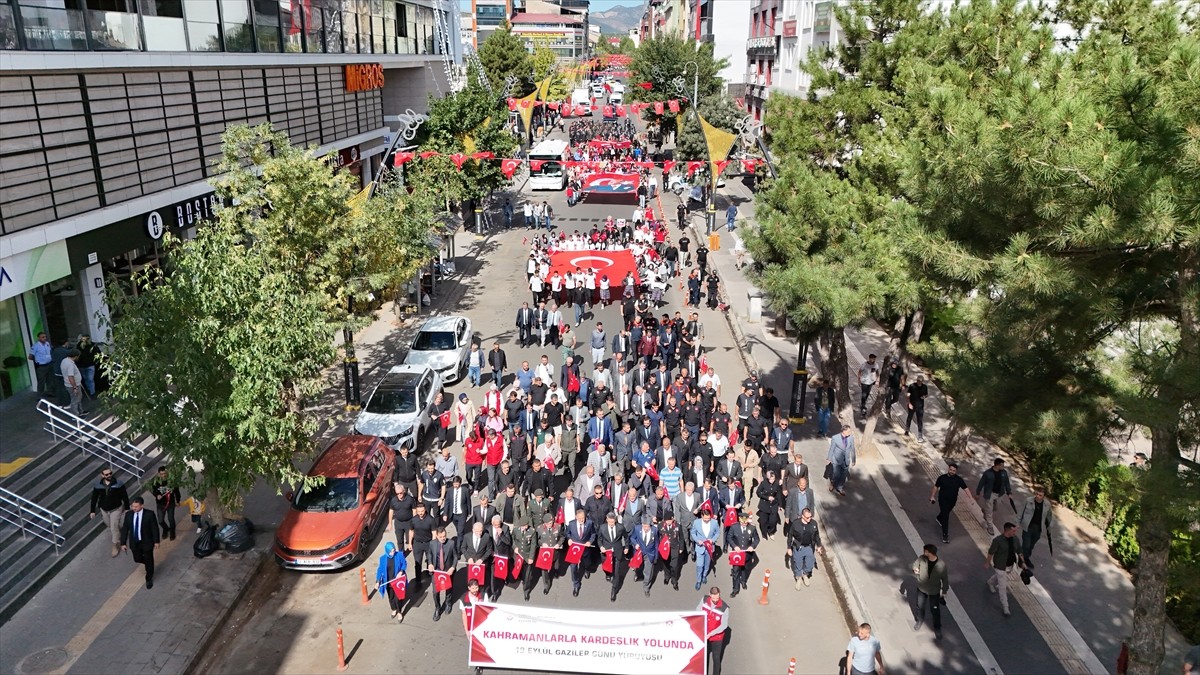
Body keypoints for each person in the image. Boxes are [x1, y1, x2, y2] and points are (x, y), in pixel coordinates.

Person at [119, 496, 160, 589]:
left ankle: (149, 578)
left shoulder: (149, 514)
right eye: (133, 506)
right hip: (135, 542)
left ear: (142, 505)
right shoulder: (129, 514)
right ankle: (149, 564)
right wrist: (123, 542)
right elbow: (125, 528)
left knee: (148, 559)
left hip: (146, 541)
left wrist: (156, 541)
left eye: (136, 506)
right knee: (137, 558)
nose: (134, 508)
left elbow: (154, 528)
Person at [984, 522, 1025, 617]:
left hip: (1010, 565)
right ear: (1008, 530)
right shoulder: (997, 540)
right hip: (1000, 566)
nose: (1015, 532)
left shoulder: (1015, 539)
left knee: (999, 578)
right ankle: (1005, 606)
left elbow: (1019, 551)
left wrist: (1023, 562)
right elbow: (991, 552)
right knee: (1002, 586)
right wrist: (987, 562)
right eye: (1013, 530)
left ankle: (990, 582)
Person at [89, 467, 130, 557]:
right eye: (107, 474)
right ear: (102, 475)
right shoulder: (98, 485)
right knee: (110, 525)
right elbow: (94, 498)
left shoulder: (118, 484)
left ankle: (116, 544)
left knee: (113, 527)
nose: (109, 475)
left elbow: (125, 496)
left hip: (116, 508)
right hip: (104, 509)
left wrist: (127, 508)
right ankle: (120, 531)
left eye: (110, 473)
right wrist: (92, 511)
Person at [911, 543, 949, 639]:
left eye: (926, 551)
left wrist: (944, 591)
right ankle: (919, 620)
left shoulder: (941, 565)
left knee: (935, 610)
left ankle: (937, 628)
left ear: (930, 553)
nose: (924, 553)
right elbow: (915, 564)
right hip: (922, 588)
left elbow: (945, 579)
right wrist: (915, 568)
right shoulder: (922, 558)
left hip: (934, 590)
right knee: (920, 605)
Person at [929, 463, 969, 543]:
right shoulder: (942, 478)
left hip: (952, 501)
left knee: (945, 512)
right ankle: (945, 535)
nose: (952, 472)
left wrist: (970, 498)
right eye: (950, 470)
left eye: (954, 471)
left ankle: (939, 518)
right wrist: (932, 496)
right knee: (946, 516)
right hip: (942, 500)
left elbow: (965, 488)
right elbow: (936, 486)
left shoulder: (959, 480)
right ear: (948, 469)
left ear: (956, 471)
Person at [725, 511, 759, 596]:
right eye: (742, 522)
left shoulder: (752, 528)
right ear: (739, 521)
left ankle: (743, 581)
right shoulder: (734, 527)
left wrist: (752, 546)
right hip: (737, 554)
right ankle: (735, 589)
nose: (744, 524)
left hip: (747, 554)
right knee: (736, 571)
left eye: (745, 522)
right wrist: (735, 546)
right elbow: (729, 537)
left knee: (745, 569)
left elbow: (757, 539)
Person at [975, 458, 1013, 535]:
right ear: (997, 465)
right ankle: (990, 526)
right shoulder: (987, 473)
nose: (1003, 467)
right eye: (1002, 465)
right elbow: (981, 483)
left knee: (994, 508)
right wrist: (978, 492)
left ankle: (985, 510)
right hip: (990, 494)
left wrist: (1009, 492)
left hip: (1000, 494)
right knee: (989, 512)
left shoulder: (1004, 473)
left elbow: (1007, 483)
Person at [698, 587, 731, 675]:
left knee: (716, 658)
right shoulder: (704, 600)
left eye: (717, 598)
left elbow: (724, 625)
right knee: (703, 656)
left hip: (716, 638)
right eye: (713, 598)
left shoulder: (724, 608)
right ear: (710, 594)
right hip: (704, 634)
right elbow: (698, 612)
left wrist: (711, 634)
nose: (715, 600)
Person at [788, 507, 823, 588]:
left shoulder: (813, 523)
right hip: (799, 547)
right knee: (798, 564)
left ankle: (805, 574)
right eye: (807, 517)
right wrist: (789, 548)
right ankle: (798, 578)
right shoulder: (796, 524)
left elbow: (817, 535)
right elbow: (790, 536)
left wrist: (819, 546)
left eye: (810, 517)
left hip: (809, 547)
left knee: (810, 563)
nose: (809, 519)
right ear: (802, 516)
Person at [1018, 488, 1054, 566]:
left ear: (1044, 497)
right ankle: (1021, 560)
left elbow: (1049, 517)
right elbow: (1021, 512)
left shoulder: (1047, 505)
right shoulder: (1029, 501)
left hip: (1038, 528)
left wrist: (1049, 528)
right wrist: (1017, 523)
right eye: (1037, 494)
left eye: (1040, 495)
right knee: (1026, 545)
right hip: (1028, 526)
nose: (1037, 496)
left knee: (1031, 545)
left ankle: (1026, 558)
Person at [564, 508, 596, 597]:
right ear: (576, 517)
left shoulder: (589, 523)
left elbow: (593, 534)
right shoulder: (571, 524)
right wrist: (569, 539)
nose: (582, 520)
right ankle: (576, 585)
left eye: (583, 518)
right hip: (574, 549)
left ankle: (586, 569)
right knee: (573, 567)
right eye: (580, 518)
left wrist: (590, 541)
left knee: (587, 562)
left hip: (585, 548)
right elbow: (567, 533)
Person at [376, 541, 409, 621]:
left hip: (397, 582)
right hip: (388, 582)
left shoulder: (400, 555)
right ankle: (394, 609)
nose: (393, 552)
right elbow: (380, 570)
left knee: (398, 598)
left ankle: (399, 612)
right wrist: (377, 581)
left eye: (394, 550)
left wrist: (401, 572)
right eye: (391, 551)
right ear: (387, 551)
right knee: (391, 597)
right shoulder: (383, 559)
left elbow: (404, 564)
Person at [690, 508, 720, 590]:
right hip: (700, 547)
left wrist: (712, 540)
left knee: (707, 564)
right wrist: (697, 540)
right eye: (705, 518)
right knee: (699, 565)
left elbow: (717, 532)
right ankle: (698, 580)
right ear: (702, 516)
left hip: (709, 548)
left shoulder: (714, 522)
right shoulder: (696, 522)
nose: (707, 520)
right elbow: (693, 533)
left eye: (708, 518)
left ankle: (704, 576)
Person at [149, 465, 180, 541]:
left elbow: (177, 492)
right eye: (162, 474)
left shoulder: (171, 481)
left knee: (171, 519)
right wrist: (157, 495)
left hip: (170, 503)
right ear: (159, 474)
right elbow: (153, 490)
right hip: (160, 504)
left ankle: (172, 532)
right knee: (160, 521)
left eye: (165, 473)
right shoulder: (156, 482)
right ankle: (165, 529)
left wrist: (178, 500)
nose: (163, 475)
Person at [630, 517, 660, 595]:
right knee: (639, 566)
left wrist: (656, 556)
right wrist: (635, 544)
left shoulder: (655, 530)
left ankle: (646, 586)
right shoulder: (637, 529)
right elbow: (632, 538)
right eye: (644, 526)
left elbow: (656, 544)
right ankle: (638, 575)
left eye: (648, 526)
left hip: (650, 554)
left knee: (648, 571)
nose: (646, 528)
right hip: (639, 552)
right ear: (642, 525)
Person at [827, 425, 857, 496]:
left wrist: (853, 459)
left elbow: (852, 449)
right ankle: (833, 483)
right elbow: (832, 448)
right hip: (837, 460)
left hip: (846, 460)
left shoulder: (851, 438)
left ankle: (840, 487)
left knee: (844, 475)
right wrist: (829, 458)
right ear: (844, 431)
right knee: (836, 474)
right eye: (848, 431)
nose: (850, 432)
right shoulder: (835, 438)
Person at [756, 471, 783, 539]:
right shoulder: (763, 483)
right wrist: (767, 497)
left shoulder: (776, 484)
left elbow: (779, 494)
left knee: (773, 521)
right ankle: (764, 533)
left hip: (773, 505)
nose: (772, 481)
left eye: (773, 479)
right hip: (764, 505)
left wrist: (780, 505)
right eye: (771, 479)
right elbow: (758, 492)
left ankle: (771, 532)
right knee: (763, 521)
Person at [904, 374, 929, 441]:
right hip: (912, 405)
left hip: (920, 406)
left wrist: (924, 397)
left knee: (920, 421)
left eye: (920, 381)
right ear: (916, 380)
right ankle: (907, 430)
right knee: (909, 417)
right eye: (918, 380)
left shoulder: (925, 387)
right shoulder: (912, 386)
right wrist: (909, 403)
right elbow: (908, 395)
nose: (919, 382)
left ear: (922, 381)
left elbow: (926, 394)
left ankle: (920, 436)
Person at [59, 348, 83, 415]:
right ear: (76, 356)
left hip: (69, 384)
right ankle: (75, 415)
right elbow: (70, 377)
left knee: (78, 398)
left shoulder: (64, 360)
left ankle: (80, 411)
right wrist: (75, 387)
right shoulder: (70, 365)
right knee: (75, 400)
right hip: (73, 385)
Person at [28, 331, 53, 396]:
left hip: (49, 364)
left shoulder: (47, 344)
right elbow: (30, 357)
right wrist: (37, 360)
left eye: (45, 337)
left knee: (49, 380)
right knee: (41, 381)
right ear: (38, 338)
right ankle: (40, 395)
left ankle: (50, 392)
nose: (44, 338)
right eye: (42, 337)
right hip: (41, 366)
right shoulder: (35, 346)